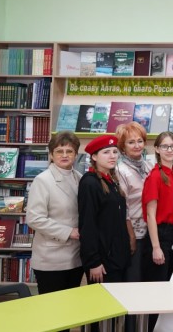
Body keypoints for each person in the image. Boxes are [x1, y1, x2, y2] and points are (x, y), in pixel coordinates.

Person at [26, 131, 83, 300]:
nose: (64, 155)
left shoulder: (80, 178)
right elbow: (34, 219)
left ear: (76, 154)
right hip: (51, 259)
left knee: (70, 308)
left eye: (69, 151)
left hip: (76, 257)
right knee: (53, 311)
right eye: (59, 151)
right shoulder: (43, 180)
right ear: (51, 155)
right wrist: (69, 232)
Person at [78, 134, 131, 284]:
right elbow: (87, 224)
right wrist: (93, 262)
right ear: (94, 157)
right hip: (102, 261)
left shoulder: (111, 180)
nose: (112, 156)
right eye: (106, 152)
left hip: (117, 257)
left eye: (114, 152)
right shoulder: (90, 183)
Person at [115, 122, 153, 289]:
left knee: (148, 281)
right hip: (134, 234)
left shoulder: (149, 165)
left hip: (150, 232)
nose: (137, 146)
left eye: (140, 141)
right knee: (133, 282)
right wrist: (131, 237)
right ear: (122, 147)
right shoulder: (120, 170)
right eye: (131, 142)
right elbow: (123, 208)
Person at [141, 131, 173, 283]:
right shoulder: (155, 176)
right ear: (157, 149)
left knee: (172, 283)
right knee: (158, 284)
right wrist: (156, 247)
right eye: (165, 146)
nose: (169, 150)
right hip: (159, 235)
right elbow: (150, 215)